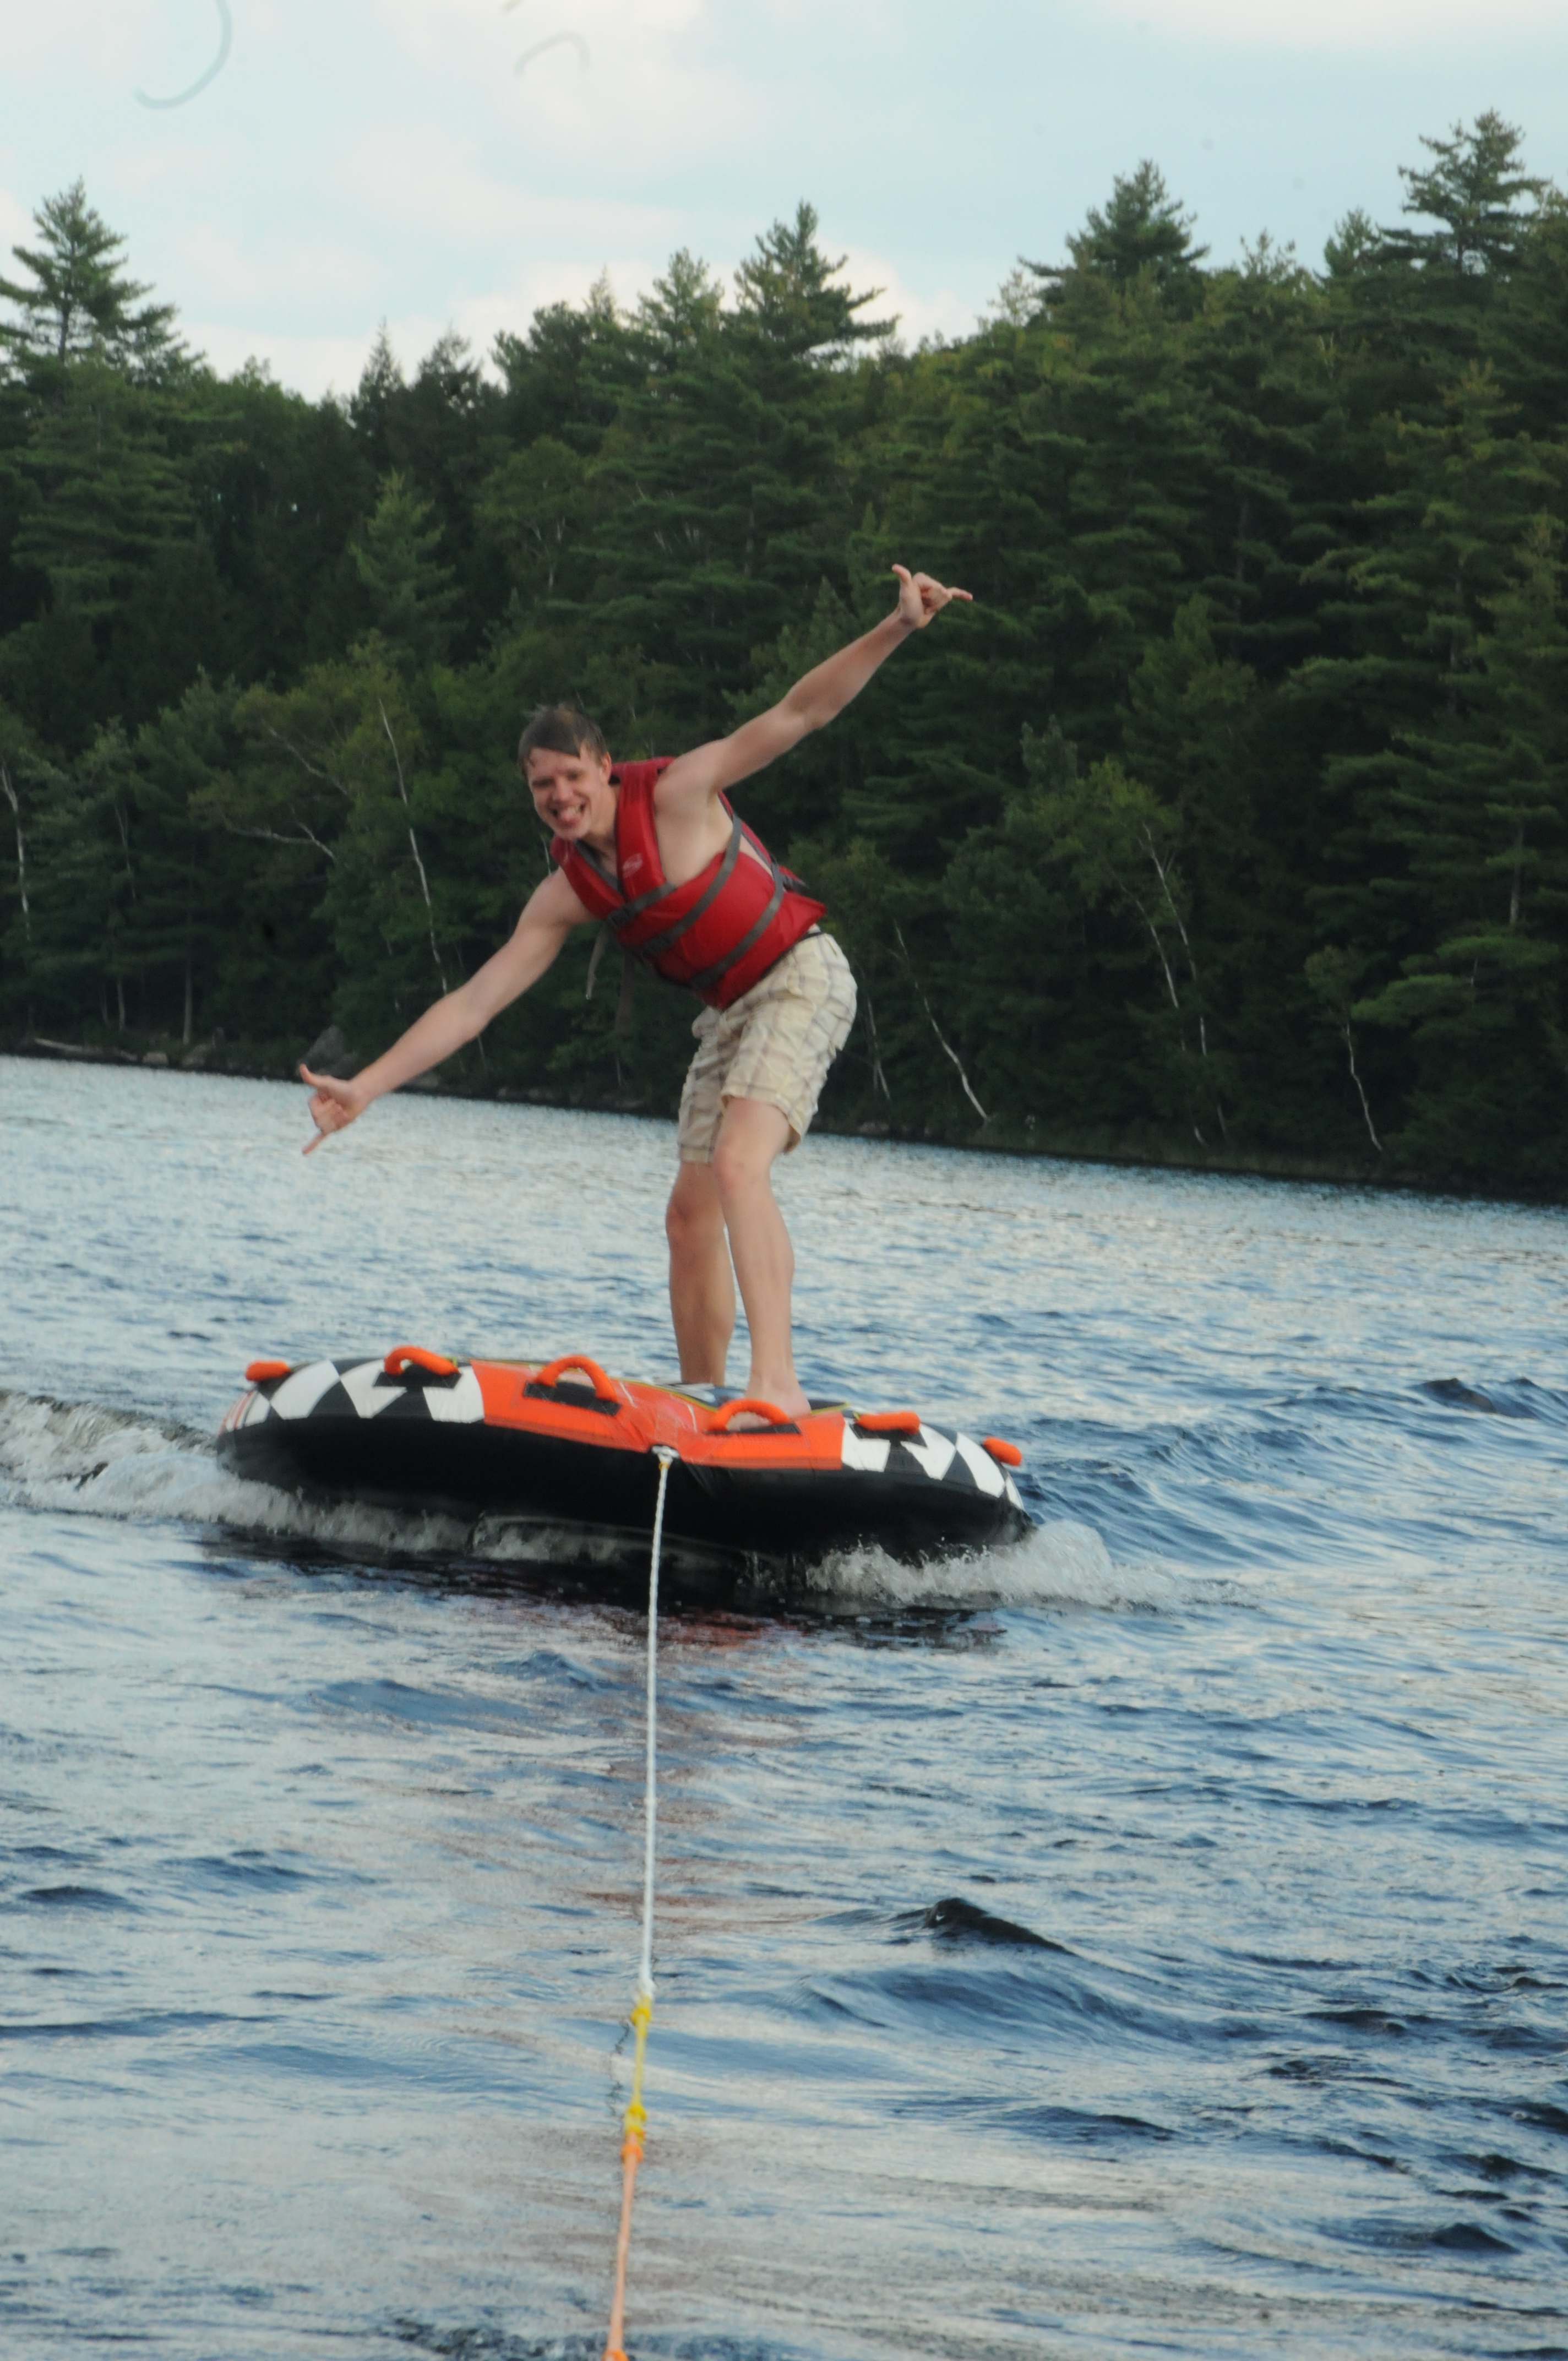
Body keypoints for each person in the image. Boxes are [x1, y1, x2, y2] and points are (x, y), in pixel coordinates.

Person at [301, 563, 971, 1416]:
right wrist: (364, 1087)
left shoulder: (681, 794)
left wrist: (898, 626)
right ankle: (703, 1401)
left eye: (572, 777)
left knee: (738, 1166)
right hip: (732, 1013)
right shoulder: (568, 891)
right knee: (689, 1219)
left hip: (801, 978)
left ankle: (778, 1386)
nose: (559, 797)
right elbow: (473, 1005)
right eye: (542, 786)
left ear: (606, 768)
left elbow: (801, 712)